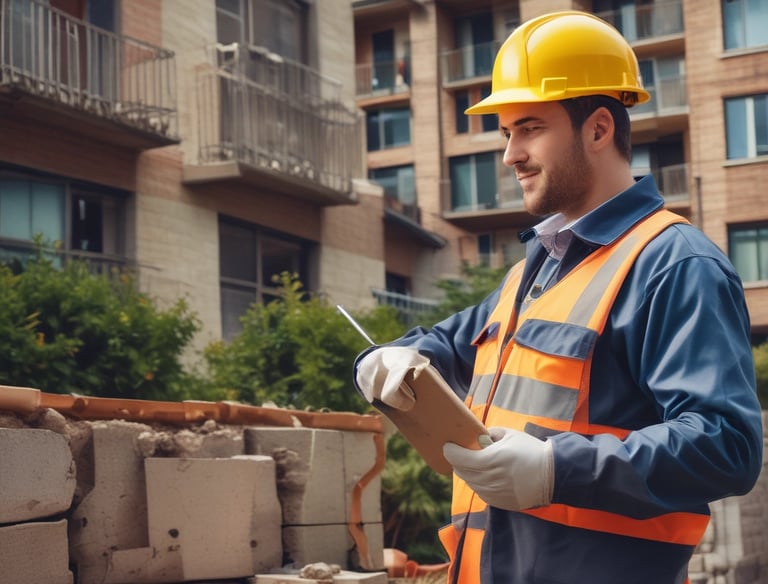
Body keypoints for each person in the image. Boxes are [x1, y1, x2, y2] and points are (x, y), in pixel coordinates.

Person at [353, 10, 764, 584]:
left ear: (597, 130)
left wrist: (555, 468)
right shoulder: (535, 270)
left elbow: (727, 446)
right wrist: (383, 358)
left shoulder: (674, 264)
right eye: (506, 133)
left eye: (529, 128)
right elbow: (443, 347)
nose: (510, 155)